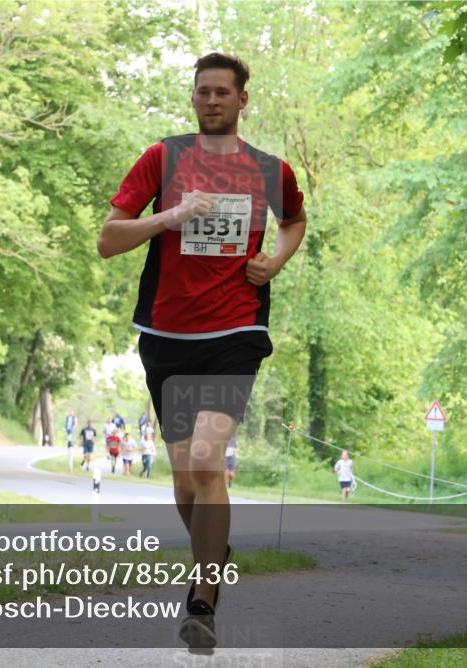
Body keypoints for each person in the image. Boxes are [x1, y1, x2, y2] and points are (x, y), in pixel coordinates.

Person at [98, 52, 306, 651]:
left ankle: (202, 598)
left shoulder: (271, 170)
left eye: (222, 92)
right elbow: (108, 241)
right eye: (202, 92)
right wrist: (171, 216)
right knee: (187, 478)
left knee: (209, 460)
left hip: (236, 333)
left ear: (243, 100)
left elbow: (295, 221)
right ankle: (214, 549)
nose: (211, 100)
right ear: (193, 99)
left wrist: (277, 258)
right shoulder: (162, 159)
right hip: (167, 335)